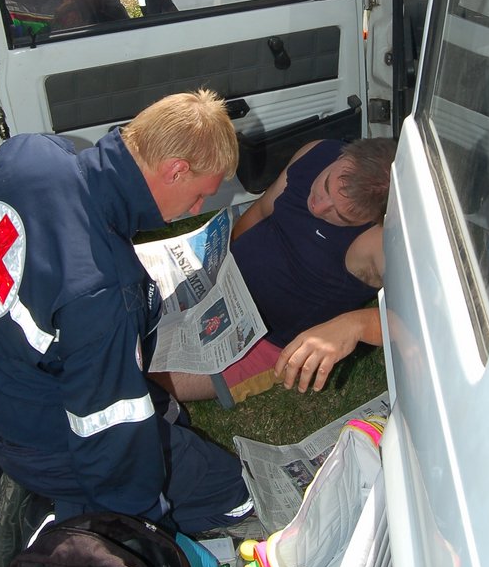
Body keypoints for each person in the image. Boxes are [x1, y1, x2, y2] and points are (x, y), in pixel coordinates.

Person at [0, 90, 254, 567]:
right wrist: (145, 536)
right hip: (42, 435)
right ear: (174, 170)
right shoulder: (106, 290)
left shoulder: (26, 153)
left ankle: (20, 484)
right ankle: (53, 519)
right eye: (200, 195)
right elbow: (109, 438)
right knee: (228, 490)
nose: (195, 209)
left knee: (169, 422)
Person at [156, 137, 395, 406]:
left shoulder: (379, 244)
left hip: (263, 338)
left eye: (342, 216)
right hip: (223, 281)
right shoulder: (317, 151)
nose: (319, 206)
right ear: (342, 157)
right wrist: (220, 263)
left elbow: (419, 321)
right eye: (326, 185)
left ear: (377, 218)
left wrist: (356, 324)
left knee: (144, 378)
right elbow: (261, 210)